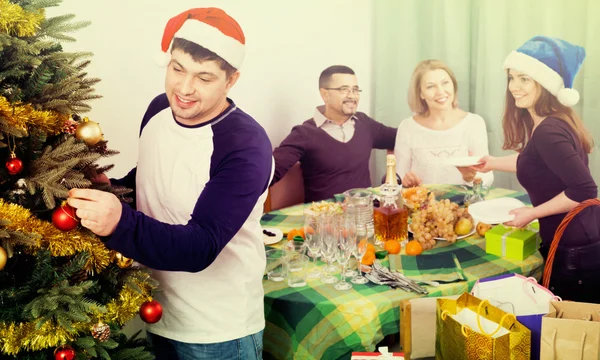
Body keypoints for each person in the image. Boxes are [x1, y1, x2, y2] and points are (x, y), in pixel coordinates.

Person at [67, 8, 272, 359]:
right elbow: (152, 177)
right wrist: (110, 189)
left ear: (231, 79)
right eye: (177, 69)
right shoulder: (159, 109)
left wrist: (119, 221)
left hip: (218, 333)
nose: (185, 89)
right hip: (157, 312)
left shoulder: (246, 144)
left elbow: (201, 245)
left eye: (204, 78)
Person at [476, 36, 600, 302]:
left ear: (544, 83)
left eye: (525, 79)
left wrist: (531, 214)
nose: (514, 87)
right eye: (511, 78)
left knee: (571, 337)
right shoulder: (550, 122)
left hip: (574, 249)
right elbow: (536, 162)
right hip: (577, 243)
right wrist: (492, 162)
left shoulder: (548, 130)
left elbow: (585, 189)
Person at [272, 65, 397, 203]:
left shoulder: (365, 124)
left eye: (355, 90)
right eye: (344, 90)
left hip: (364, 215)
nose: (352, 96)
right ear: (325, 94)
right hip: (325, 218)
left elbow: (401, 138)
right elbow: (271, 170)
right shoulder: (304, 133)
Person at [395, 59, 493, 188]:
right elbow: (397, 179)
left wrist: (470, 178)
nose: (440, 91)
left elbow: (487, 179)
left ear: (453, 85)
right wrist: (405, 181)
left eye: (445, 83)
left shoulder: (474, 123)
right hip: (422, 206)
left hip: (466, 205)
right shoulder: (407, 127)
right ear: (421, 94)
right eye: (430, 86)